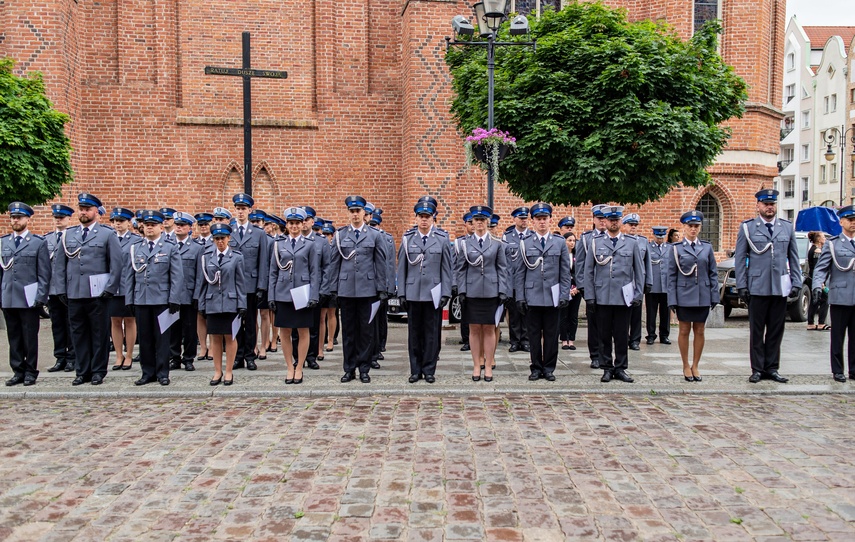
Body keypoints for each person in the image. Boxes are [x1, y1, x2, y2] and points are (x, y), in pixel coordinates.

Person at [55, 193, 124, 386]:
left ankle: (98, 371)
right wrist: (61, 288)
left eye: (88, 209)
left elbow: (116, 265)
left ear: (96, 211)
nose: (84, 212)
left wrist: (110, 289)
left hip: (98, 294)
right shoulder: (69, 234)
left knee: (99, 333)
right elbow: (60, 265)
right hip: (75, 292)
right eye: (82, 209)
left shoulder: (107, 234)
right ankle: (82, 370)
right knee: (78, 333)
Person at [734, 189, 802, 384]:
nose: (769, 207)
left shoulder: (786, 228)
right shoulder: (748, 228)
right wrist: (742, 285)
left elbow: (793, 258)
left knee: (776, 329)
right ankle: (757, 368)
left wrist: (796, 281)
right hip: (757, 286)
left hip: (779, 287)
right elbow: (740, 259)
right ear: (758, 206)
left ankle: (772, 368)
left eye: (772, 204)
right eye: (766, 204)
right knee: (757, 330)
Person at [328, 195, 388, 383]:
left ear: (364, 213)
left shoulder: (374, 235)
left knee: (366, 331)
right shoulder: (340, 235)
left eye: (358, 211)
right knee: (348, 331)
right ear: (349, 213)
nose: (355, 215)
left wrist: (381, 288)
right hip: (346, 289)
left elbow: (380, 263)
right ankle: (349, 368)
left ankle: (364, 368)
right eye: (352, 211)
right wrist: (333, 289)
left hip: (367, 290)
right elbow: (334, 264)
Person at [583, 205, 644, 383]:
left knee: (621, 334)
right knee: (603, 334)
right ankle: (606, 367)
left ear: (620, 222)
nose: (613, 223)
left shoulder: (631, 243)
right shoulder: (596, 242)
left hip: (624, 297)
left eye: (616, 220)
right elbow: (588, 271)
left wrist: (638, 294)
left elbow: (639, 271)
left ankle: (621, 368)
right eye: (610, 220)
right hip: (602, 296)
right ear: (606, 221)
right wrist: (590, 295)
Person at [124, 210, 184, 386]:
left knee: (162, 339)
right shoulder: (136, 248)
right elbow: (129, 277)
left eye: (153, 225)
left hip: (162, 300)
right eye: (147, 225)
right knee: (145, 338)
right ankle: (147, 372)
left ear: (160, 226)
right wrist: (129, 299)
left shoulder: (169, 247)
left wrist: (174, 299)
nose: (149, 228)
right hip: (142, 299)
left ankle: (163, 372)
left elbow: (176, 276)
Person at [514, 203, 572, 381]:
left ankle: (549, 368)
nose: (541, 222)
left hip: (552, 296)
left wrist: (564, 294)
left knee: (551, 334)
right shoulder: (525, 243)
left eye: (544, 219)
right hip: (532, 296)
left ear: (550, 220)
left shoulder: (559, 242)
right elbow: (519, 272)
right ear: (533, 221)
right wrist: (520, 297)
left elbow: (564, 272)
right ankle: (536, 367)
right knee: (533, 334)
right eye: (538, 219)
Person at [397, 199, 453, 383]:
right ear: (416, 218)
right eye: (421, 216)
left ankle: (429, 369)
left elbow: (446, 268)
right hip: (413, 293)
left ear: (433, 218)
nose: (424, 220)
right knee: (414, 333)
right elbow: (402, 269)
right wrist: (402, 293)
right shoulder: (408, 239)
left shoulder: (442, 239)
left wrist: (445, 292)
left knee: (432, 333)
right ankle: (415, 369)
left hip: (433, 293)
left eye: (427, 217)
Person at [456, 205, 509, 382]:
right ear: (472, 223)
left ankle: (488, 366)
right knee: (473, 329)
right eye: (476, 220)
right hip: (472, 291)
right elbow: (461, 269)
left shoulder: (497, 244)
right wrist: (461, 290)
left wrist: (503, 290)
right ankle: (476, 365)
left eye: (482, 220)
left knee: (489, 329)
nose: (479, 223)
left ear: (487, 222)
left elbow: (502, 269)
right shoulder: (465, 243)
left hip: (491, 292)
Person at [1, 203, 51, 386]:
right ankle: (17, 370)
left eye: (19, 218)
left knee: (30, 337)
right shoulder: (3, 242)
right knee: (14, 337)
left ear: (27, 219)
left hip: (29, 298)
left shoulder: (38, 242)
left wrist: (41, 297)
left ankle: (30, 371)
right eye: (13, 218)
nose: (15, 220)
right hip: (9, 296)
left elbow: (44, 273)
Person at [268, 207, 319, 384]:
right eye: (291, 223)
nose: (295, 226)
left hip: (302, 292)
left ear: (302, 224)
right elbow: (273, 272)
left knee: (303, 331)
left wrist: (314, 295)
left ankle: (300, 367)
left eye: (298, 223)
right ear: (287, 225)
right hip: (283, 292)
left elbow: (314, 272)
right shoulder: (278, 245)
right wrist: (271, 296)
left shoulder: (310, 244)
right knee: (285, 332)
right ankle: (289, 366)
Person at [666, 211, 718, 382]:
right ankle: (685, 365)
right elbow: (671, 276)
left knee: (700, 330)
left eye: (696, 226)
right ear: (684, 227)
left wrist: (714, 295)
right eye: (690, 226)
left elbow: (712, 273)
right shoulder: (676, 249)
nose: (693, 229)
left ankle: (696, 365)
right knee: (684, 330)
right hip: (684, 295)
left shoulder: (707, 247)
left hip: (702, 294)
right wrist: (672, 299)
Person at [197, 223, 246, 386]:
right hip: (213, 303)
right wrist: (201, 303)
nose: (220, 242)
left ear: (229, 238)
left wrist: (242, 303)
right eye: (216, 239)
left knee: (230, 337)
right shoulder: (206, 257)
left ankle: (229, 371)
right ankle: (217, 371)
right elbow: (202, 283)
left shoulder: (237, 257)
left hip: (231, 302)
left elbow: (240, 282)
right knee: (215, 338)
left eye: (223, 238)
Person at [811, 206, 855, 382]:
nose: (853, 223)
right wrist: (816, 286)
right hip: (840, 296)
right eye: (850, 220)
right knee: (838, 336)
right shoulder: (832, 244)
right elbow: (821, 268)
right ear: (841, 221)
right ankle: (838, 369)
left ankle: (854, 369)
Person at [229, 193, 270, 371]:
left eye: (243, 209)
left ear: (249, 211)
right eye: (238, 209)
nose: (240, 212)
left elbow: (263, 261)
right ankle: (237, 356)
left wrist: (262, 285)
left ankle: (249, 355)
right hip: (233, 285)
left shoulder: (258, 233)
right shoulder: (228, 232)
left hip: (251, 285)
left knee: (251, 321)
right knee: (235, 321)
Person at [169, 212, 203, 371]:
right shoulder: (168, 245)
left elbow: (199, 275)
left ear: (190, 228)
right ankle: (174, 357)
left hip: (189, 295)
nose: (179, 228)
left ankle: (188, 358)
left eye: (182, 225)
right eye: (177, 225)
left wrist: (197, 295)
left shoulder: (197, 248)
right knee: (173, 328)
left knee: (189, 329)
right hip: (172, 296)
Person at [575, 204, 608, 368]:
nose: (602, 221)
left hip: (609, 289)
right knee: (594, 324)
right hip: (592, 288)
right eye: (599, 218)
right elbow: (580, 265)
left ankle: (606, 355)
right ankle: (595, 355)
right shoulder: (586, 239)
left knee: (609, 324)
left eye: (604, 218)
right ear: (594, 219)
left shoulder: (613, 238)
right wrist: (583, 287)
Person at [45, 204, 77, 373]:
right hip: (52, 289)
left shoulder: (73, 238)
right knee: (56, 324)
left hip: (70, 288)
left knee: (71, 323)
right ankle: (60, 357)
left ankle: (72, 357)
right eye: (56, 218)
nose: (59, 220)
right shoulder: (47, 239)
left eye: (62, 218)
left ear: (68, 219)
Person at [109, 207, 138, 370]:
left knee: (129, 320)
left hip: (128, 286)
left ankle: (129, 354)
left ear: (128, 223)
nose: (117, 224)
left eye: (120, 221)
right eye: (115, 221)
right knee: (115, 320)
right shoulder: (109, 238)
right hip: (113, 286)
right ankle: (118, 355)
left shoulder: (135, 240)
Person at [502, 206, 531, 353]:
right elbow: (504, 263)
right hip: (512, 281)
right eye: (521, 218)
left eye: (525, 218)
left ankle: (525, 341)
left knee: (526, 313)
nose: (524, 221)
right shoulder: (507, 237)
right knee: (513, 313)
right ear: (514, 219)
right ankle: (514, 341)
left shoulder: (531, 236)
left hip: (527, 282)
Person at [621, 213, 652, 351]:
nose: (633, 227)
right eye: (630, 225)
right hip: (624, 282)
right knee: (623, 313)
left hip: (638, 282)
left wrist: (648, 282)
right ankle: (623, 337)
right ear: (625, 226)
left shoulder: (643, 241)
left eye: (635, 225)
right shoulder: (621, 240)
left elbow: (648, 263)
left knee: (636, 313)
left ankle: (635, 340)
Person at [645, 226, 672, 345]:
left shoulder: (670, 248)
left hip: (666, 285)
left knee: (665, 312)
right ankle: (651, 335)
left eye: (662, 237)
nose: (660, 239)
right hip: (653, 284)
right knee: (651, 312)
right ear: (654, 236)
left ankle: (664, 335)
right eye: (658, 237)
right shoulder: (648, 247)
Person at [454, 212, 475, 351]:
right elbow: (455, 265)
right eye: (470, 223)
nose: (473, 226)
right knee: (465, 313)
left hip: (478, 284)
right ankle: (467, 339)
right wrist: (456, 284)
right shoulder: (459, 242)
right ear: (465, 224)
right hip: (465, 283)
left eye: (474, 222)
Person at [559, 232, 582, 350]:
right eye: (569, 240)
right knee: (564, 315)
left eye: (574, 240)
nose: (572, 243)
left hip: (576, 289)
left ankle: (571, 339)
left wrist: (577, 287)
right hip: (564, 289)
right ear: (564, 241)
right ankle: (564, 339)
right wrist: (566, 289)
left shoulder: (578, 255)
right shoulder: (561, 255)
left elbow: (581, 272)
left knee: (573, 315)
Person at [319, 221, 337, 355]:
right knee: (321, 315)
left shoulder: (336, 247)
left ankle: (331, 340)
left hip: (333, 283)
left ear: (332, 235)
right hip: (323, 284)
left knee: (332, 313)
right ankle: (321, 344)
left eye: (328, 234)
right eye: (323, 233)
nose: (326, 236)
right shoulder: (319, 246)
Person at [807, 230, 830, 331]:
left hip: (813, 278)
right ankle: (821, 323)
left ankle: (811, 323)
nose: (825, 238)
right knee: (824, 299)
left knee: (814, 301)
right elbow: (818, 267)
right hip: (817, 279)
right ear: (819, 240)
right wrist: (821, 283)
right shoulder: (817, 251)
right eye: (823, 237)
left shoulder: (813, 249)